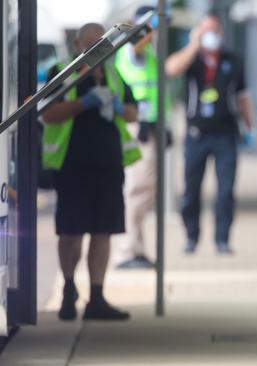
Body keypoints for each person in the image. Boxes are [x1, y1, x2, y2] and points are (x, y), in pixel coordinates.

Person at [41, 23, 140, 320]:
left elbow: (134, 112)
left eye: (103, 45)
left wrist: (119, 108)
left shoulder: (112, 73)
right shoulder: (61, 71)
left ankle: (97, 297)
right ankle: (68, 290)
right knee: (71, 233)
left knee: (103, 232)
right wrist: (84, 103)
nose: (99, 51)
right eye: (92, 45)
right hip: (73, 166)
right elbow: (48, 112)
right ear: (77, 46)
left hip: (108, 166)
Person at [165, 14, 254, 254]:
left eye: (214, 30)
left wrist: (250, 127)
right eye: (206, 31)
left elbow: (242, 96)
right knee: (191, 190)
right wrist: (194, 44)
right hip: (196, 134)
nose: (211, 35)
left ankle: (222, 239)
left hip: (226, 134)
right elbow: (171, 68)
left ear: (222, 33)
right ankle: (191, 237)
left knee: (225, 191)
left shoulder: (233, 60)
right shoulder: (192, 60)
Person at [113, 5, 166, 269]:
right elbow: (135, 48)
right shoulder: (131, 51)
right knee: (138, 188)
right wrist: (151, 27)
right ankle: (127, 250)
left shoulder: (150, 54)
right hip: (137, 128)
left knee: (145, 189)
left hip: (149, 126)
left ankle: (136, 247)